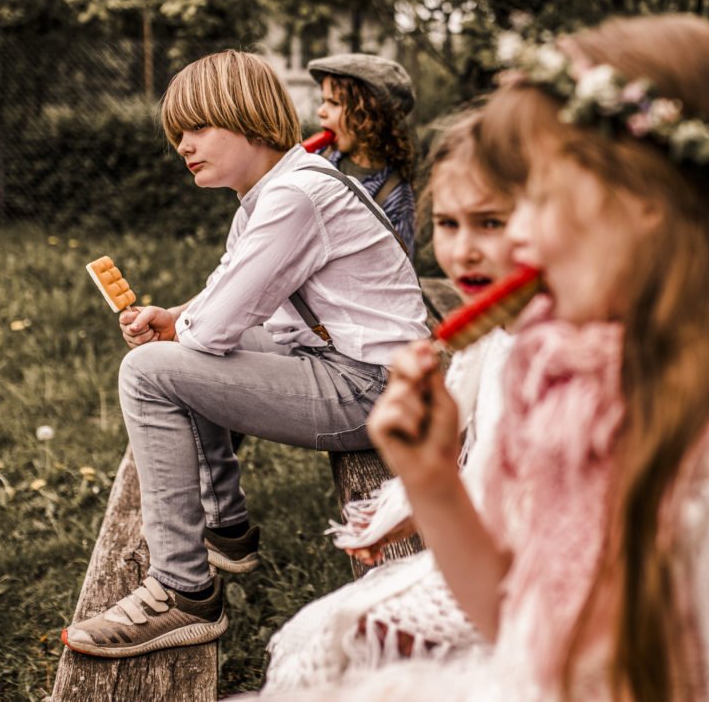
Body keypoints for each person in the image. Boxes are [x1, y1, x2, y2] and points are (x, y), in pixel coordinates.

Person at [258, 14, 709, 700]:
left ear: (649, 197)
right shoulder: (564, 374)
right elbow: (514, 621)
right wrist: (435, 481)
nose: (519, 238)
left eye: (540, 196)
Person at [60, 50, 428, 658]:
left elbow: (213, 334)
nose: (183, 145)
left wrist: (185, 331)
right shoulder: (277, 189)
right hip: (357, 368)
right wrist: (175, 317)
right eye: (177, 133)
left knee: (150, 371)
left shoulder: (294, 198)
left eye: (198, 127)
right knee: (174, 356)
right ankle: (225, 530)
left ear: (251, 118)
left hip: (373, 389)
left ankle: (183, 592)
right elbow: (228, 293)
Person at [262, 102, 524, 690]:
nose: (462, 252)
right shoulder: (496, 338)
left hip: (524, 595)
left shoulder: (555, 365)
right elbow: (460, 435)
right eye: (450, 225)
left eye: (492, 223)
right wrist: (399, 510)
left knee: (344, 649)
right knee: (319, 636)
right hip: (481, 561)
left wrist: (429, 489)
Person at [308, 53, 418, 254]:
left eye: (333, 103)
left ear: (368, 115)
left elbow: (400, 273)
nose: (321, 111)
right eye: (323, 101)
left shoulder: (395, 197)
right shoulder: (316, 161)